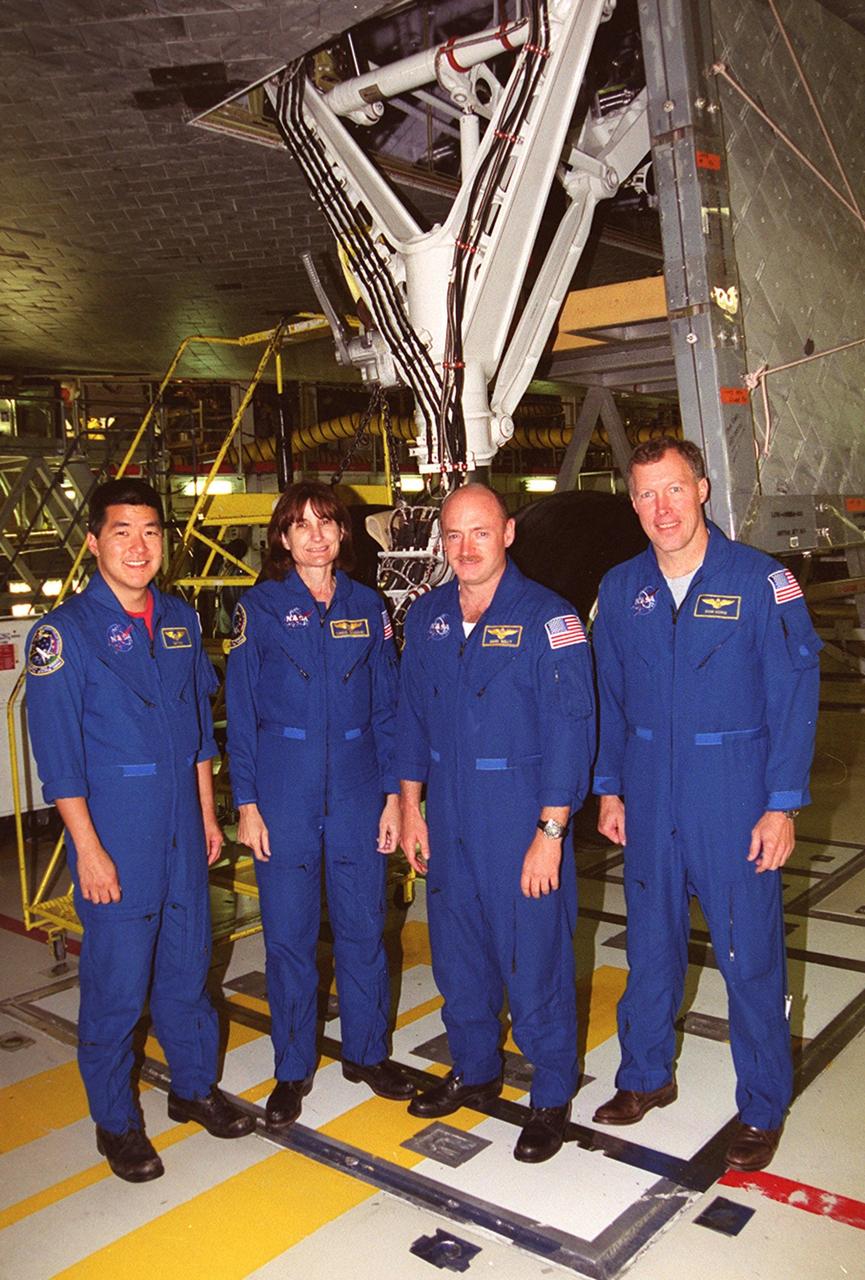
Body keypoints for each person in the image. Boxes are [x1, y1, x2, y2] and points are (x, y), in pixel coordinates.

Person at [591, 437, 822, 1172]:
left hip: (734, 789)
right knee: (650, 945)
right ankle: (644, 1077)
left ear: (701, 490)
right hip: (648, 788)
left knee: (748, 953)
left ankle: (760, 1104)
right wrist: (608, 787)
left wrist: (780, 804)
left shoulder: (760, 581)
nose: (660, 507)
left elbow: (794, 697)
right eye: (645, 494)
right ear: (632, 503)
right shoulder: (622, 587)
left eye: (672, 489)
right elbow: (607, 699)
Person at [25, 478, 254, 1184]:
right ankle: (116, 1124)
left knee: (188, 970)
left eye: (150, 531)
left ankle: (192, 1090)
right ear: (93, 541)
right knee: (118, 986)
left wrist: (206, 817)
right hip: (114, 829)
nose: (138, 545)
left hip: (183, 827)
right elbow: (58, 762)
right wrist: (87, 851)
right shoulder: (61, 635)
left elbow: (193, 735)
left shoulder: (180, 622)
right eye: (121, 531)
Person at [397, 483, 595, 1163]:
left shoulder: (548, 618)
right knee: (458, 953)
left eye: (479, 533)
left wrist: (549, 833)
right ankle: (475, 1066)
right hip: (448, 808)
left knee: (534, 954)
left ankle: (549, 1093)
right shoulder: (425, 618)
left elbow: (572, 731)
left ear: (507, 533)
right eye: (452, 535)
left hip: (519, 810)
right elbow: (410, 718)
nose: (464, 548)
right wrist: (407, 806)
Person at [225, 481, 413, 1130]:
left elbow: (390, 710)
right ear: (281, 538)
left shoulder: (370, 605)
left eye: (326, 523)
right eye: (299, 524)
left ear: (342, 535)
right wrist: (246, 803)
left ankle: (367, 1053)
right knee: (289, 941)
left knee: (365, 930)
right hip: (285, 793)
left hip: (360, 791)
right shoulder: (261, 607)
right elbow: (242, 716)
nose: (314, 534)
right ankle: (291, 1068)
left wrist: (392, 796)